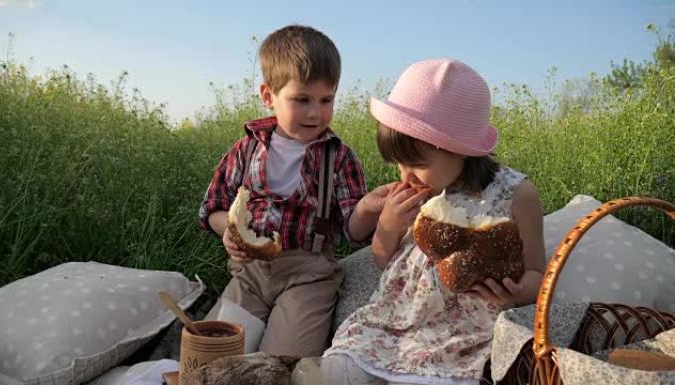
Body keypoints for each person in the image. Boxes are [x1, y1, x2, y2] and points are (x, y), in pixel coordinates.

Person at [317, 59, 546, 384]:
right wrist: (389, 224)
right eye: (398, 163)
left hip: (465, 333)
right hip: (395, 318)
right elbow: (382, 259)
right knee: (337, 369)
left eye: (416, 164)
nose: (405, 175)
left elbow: (539, 274)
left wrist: (517, 291)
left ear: (461, 150)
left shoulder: (516, 194)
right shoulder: (415, 192)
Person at [198, 25, 389, 358]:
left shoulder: (338, 156)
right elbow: (213, 206)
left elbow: (351, 230)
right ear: (268, 95)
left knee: (282, 363)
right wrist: (227, 229)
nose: (315, 112)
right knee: (214, 354)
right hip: (250, 275)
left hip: (309, 276)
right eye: (302, 100)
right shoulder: (246, 149)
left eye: (326, 100)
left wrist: (368, 208)